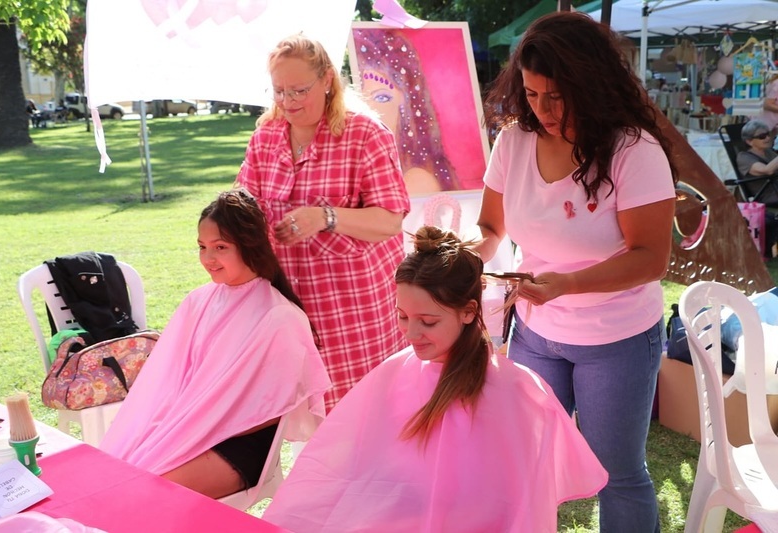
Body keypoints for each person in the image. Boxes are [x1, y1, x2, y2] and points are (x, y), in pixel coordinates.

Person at [263, 226, 608, 532]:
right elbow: (351, 473)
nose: (411, 334)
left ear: (469, 312)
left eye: (427, 321)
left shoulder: (515, 390)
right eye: (402, 316)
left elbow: (517, 506)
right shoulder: (395, 373)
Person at [474, 12, 676, 533]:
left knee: (616, 473)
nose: (543, 110)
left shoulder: (634, 149)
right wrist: (459, 258)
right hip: (538, 334)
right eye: (532, 94)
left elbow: (651, 257)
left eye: (556, 97)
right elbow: (491, 228)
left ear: (591, 83)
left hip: (618, 337)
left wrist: (566, 285)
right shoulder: (513, 142)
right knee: (532, 463)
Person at [100, 189, 331, 499]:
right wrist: (174, 427)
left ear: (249, 246)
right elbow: (170, 382)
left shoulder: (279, 317)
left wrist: (204, 426)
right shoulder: (199, 301)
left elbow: (275, 408)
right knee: (113, 477)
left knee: (143, 493)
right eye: (202, 247)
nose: (208, 259)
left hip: (239, 443)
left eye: (220, 247)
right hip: (185, 426)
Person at [235, 33, 410, 412]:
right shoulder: (265, 137)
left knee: (363, 417)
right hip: (290, 308)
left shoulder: (365, 135)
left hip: (355, 311)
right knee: (305, 419)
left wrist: (326, 217)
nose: (288, 102)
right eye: (279, 91)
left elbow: (390, 220)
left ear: (328, 79)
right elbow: (243, 209)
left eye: (299, 91)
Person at [351, 28, 459, 193]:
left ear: (406, 107)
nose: (368, 111)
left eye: (381, 98)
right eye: (360, 101)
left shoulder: (416, 181)